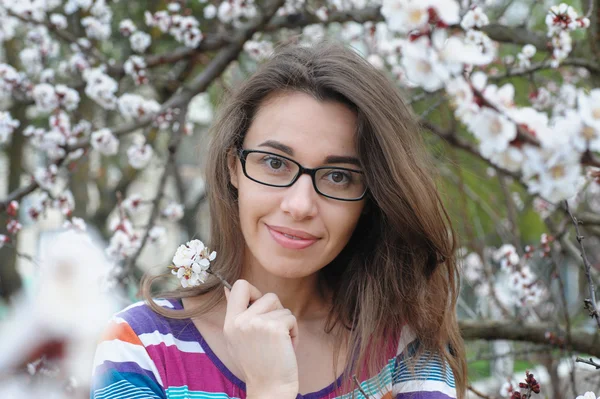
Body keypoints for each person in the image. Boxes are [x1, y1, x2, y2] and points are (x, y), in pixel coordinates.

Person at [90, 40, 467, 399]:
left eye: (338, 176)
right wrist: (269, 388)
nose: (300, 204)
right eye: (274, 163)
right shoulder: (143, 348)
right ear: (234, 168)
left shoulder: (408, 353)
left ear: (370, 199)